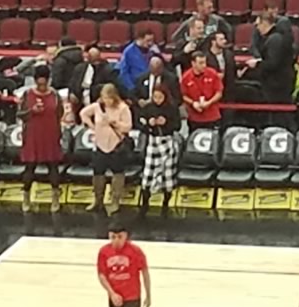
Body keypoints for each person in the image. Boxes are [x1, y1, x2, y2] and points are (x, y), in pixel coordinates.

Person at [17, 66, 67, 213]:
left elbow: (60, 113)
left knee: (53, 166)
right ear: (35, 81)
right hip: (33, 134)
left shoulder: (55, 95)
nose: (42, 86)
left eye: (44, 83)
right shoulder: (27, 95)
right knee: (30, 167)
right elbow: (20, 114)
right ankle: (26, 199)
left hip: (50, 134)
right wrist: (32, 111)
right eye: (39, 84)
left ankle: (55, 199)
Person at [81, 83, 134, 215]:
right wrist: (91, 126)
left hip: (116, 145)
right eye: (104, 98)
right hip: (100, 145)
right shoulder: (98, 107)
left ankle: (115, 200)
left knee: (117, 173)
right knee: (98, 173)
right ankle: (97, 200)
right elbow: (83, 113)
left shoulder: (123, 108)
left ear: (114, 97)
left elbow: (128, 127)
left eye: (109, 98)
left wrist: (115, 123)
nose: (106, 101)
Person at [138, 79, 181, 210]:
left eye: (160, 97)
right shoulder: (148, 108)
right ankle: (145, 203)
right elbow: (140, 124)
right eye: (155, 97)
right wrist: (148, 124)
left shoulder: (172, 108)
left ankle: (166, 203)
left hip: (167, 142)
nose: (157, 100)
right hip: (153, 142)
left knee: (167, 174)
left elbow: (177, 126)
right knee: (148, 174)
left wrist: (166, 123)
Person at [253, 11, 297, 106]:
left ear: (264, 23)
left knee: (279, 114)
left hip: (277, 84)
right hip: (282, 81)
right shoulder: (279, 36)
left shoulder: (275, 39)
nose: (257, 28)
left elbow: (273, 63)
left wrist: (257, 64)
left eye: (258, 25)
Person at [180, 52, 224, 129]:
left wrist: (209, 102)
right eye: (201, 63)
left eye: (205, 62)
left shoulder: (212, 74)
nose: (204, 65)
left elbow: (219, 93)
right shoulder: (186, 77)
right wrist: (193, 103)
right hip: (194, 118)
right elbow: (183, 95)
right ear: (193, 63)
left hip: (212, 116)